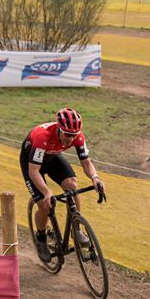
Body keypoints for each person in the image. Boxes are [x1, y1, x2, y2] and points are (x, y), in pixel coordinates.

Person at [20, 107, 105, 259]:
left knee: (72, 186)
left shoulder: (78, 137)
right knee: (44, 205)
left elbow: (86, 162)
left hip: (52, 157)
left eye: (74, 135)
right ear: (59, 129)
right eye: (67, 135)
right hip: (31, 164)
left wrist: (95, 177)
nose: (70, 139)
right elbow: (34, 171)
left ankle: (76, 229)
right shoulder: (42, 137)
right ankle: (41, 238)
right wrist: (46, 192)